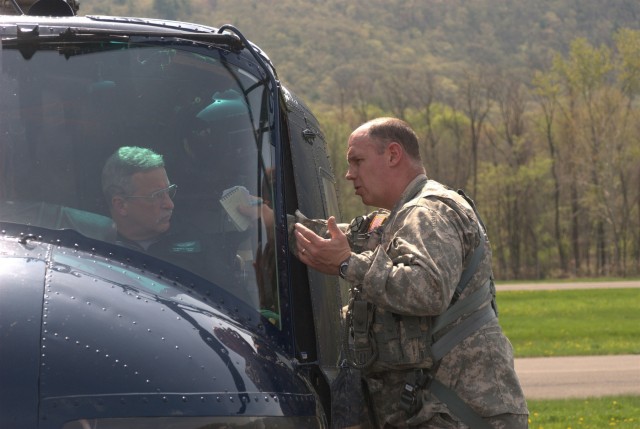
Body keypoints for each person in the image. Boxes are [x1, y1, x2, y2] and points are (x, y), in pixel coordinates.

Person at [294, 118, 528, 428]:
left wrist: (349, 264)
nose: (349, 174)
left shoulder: (428, 212)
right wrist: (272, 223)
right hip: (438, 411)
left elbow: (428, 290)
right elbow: (342, 236)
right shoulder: (398, 219)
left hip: (459, 411)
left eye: (358, 161)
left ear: (393, 155)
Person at [101, 146, 213, 278]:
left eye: (169, 191)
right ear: (121, 205)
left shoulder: (194, 239)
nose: (170, 204)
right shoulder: (96, 251)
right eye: (157, 195)